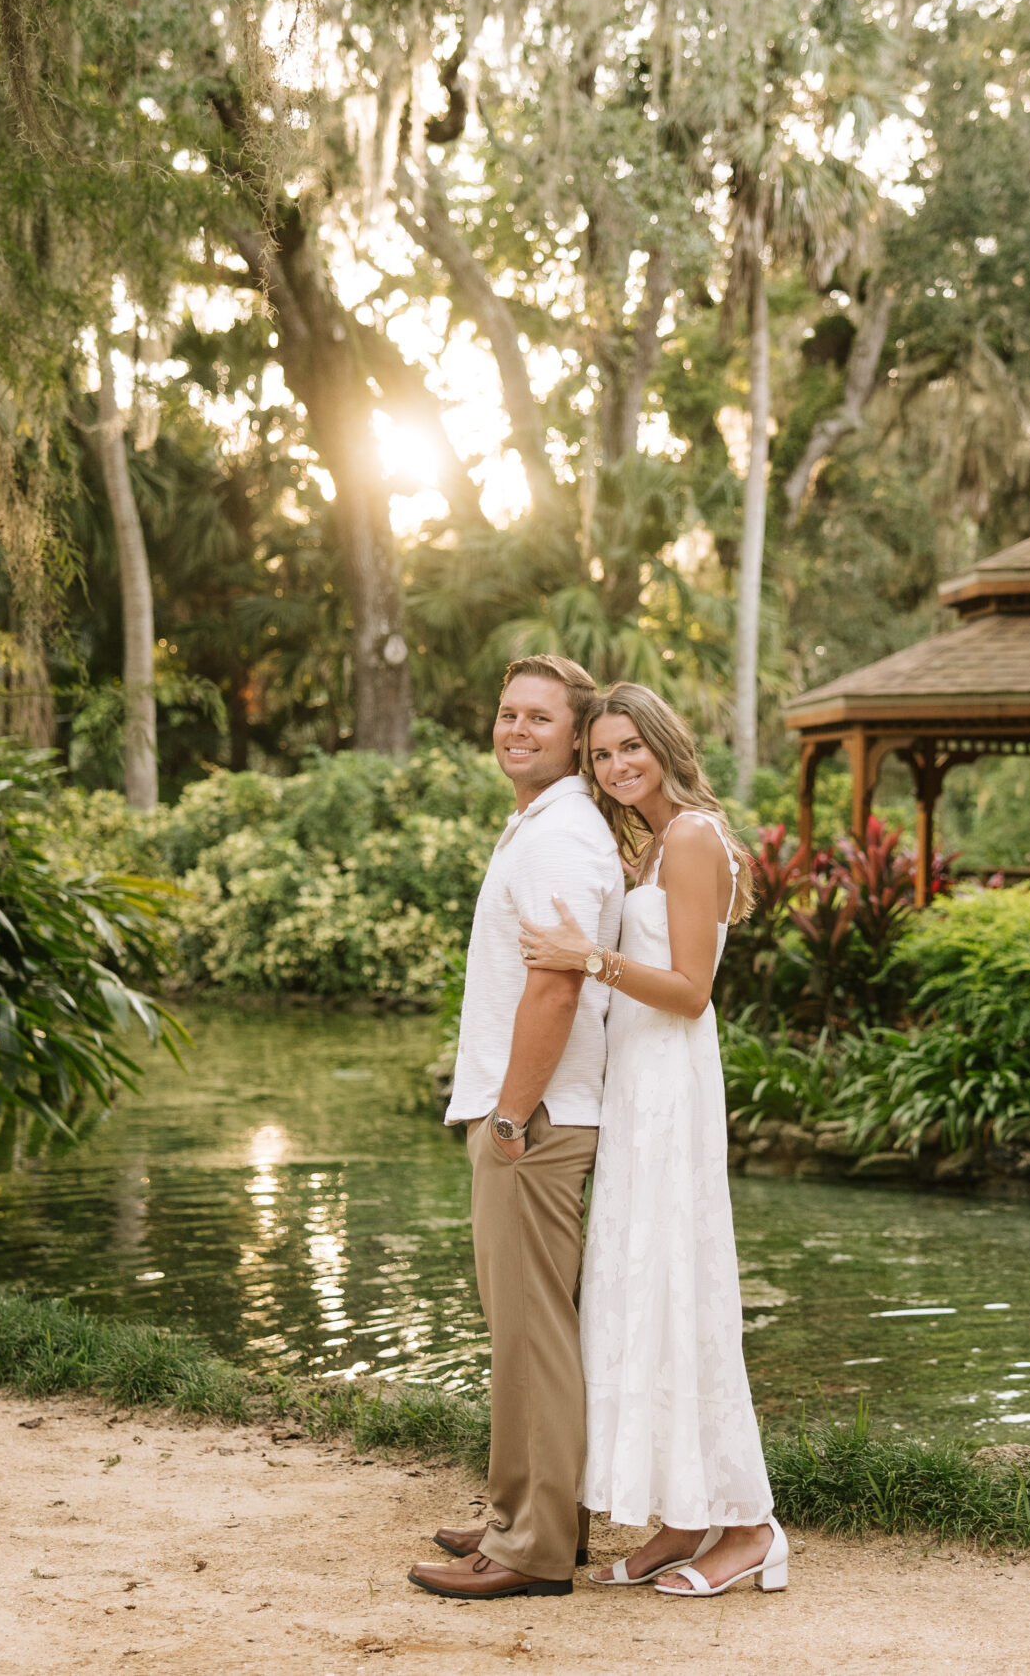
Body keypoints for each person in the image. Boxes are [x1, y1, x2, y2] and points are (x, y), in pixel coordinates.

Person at [517, 683, 787, 1598]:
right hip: (639, 1089)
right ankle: (681, 1517)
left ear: (665, 743)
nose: (616, 765)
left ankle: (748, 1525)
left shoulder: (697, 837)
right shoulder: (654, 844)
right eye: (600, 754)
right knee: (644, 1290)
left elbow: (689, 989)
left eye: (630, 746)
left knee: (685, 1288)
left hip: (672, 1087)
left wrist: (582, 956)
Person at [406, 654, 624, 1601]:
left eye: (538, 716)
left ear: (575, 734)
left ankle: (533, 1548)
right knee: (524, 1328)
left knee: (530, 1331)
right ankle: (521, 1511)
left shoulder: (560, 835)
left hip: (535, 1120)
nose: (516, 729)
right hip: (535, 1112)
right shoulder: (541, 824)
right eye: (506, 713)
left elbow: (558, 979)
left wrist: (511, 1110)